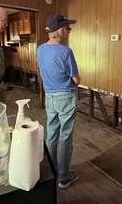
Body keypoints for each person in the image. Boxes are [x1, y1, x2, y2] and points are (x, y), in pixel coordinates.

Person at [37, 14, 81, 189]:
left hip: (49, 96)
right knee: (66, 137)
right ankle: (64, 177)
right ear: (61, 30)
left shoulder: (40, 49)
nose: (69, 31)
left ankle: (51, 171)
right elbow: (76, 80)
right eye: (68, 28)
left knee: (52, 133)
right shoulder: (65, 52)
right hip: (65, 97)